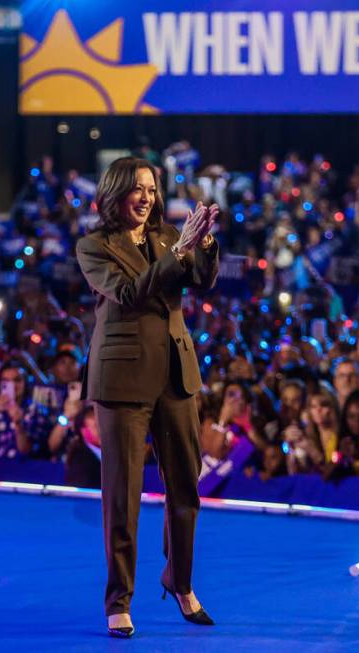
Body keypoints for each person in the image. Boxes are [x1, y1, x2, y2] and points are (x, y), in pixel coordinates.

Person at [75, 156, 220, 637]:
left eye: (153, 189)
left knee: (186, 486)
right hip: (122, 382)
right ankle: (119, 599)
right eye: (138, 188)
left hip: (176, 376)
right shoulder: (94, 246)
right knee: (123, 496)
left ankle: (180, 581)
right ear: (116, 192)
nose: (147, 197)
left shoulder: (165, 238)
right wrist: (178, 252)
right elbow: (130, 292)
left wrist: (204, 245)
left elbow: (200, 279)